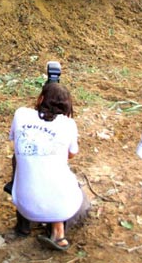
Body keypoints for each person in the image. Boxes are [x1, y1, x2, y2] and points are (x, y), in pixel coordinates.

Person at [9, 82, 90, 251]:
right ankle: (58, 231)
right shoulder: (68, 125)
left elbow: (14, 140)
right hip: (62, 206)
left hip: (24, 205)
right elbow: (71, 154)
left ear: (41, 99)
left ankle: (23, 226)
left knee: (20, 160)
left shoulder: (21, 114)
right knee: (83, 201)